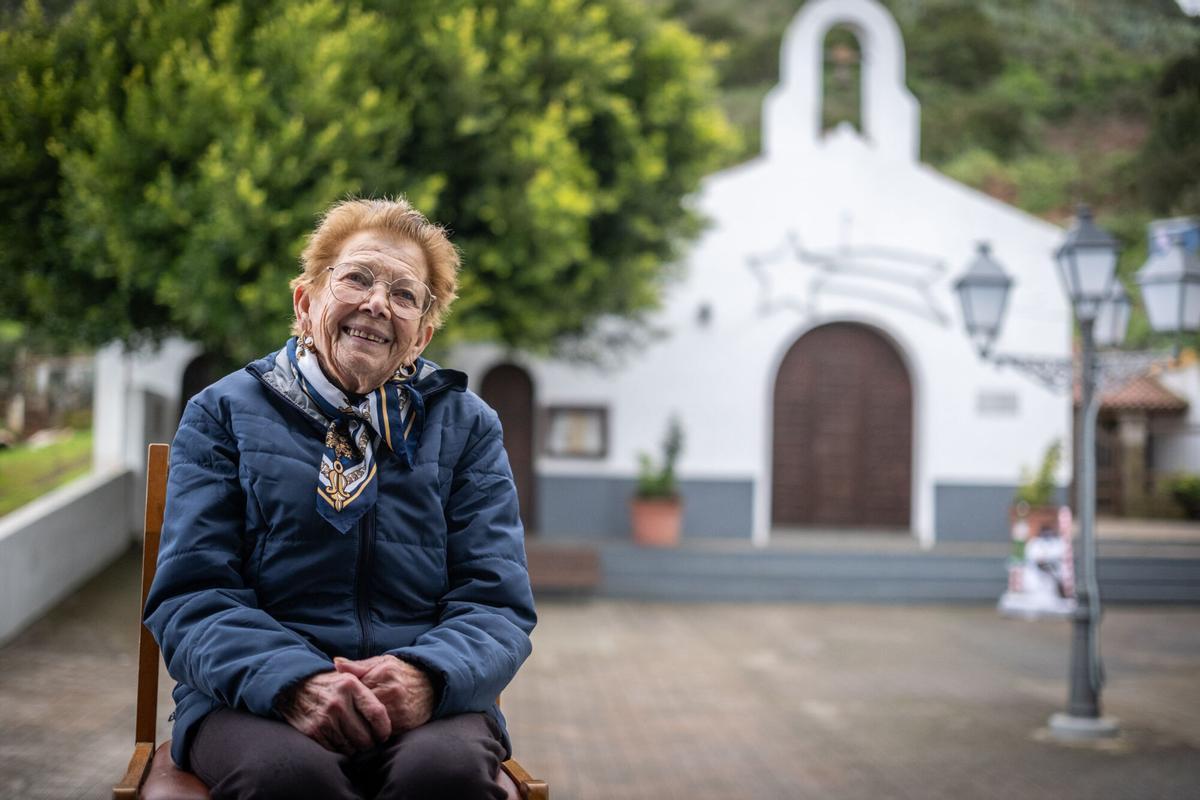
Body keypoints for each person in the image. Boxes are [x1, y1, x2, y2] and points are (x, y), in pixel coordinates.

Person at [144, 197, 537, 800]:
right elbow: (191, 596)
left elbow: (496, 603)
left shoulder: (467, 427)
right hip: (253, 696)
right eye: (357, 278)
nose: (378, 303)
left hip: (424, 698)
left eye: (405, 295)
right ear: (307, 302)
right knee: (291, 780)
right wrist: (295, 682)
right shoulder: (222, 413)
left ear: (421, 335)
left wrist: (426, 677)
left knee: (443, 776)